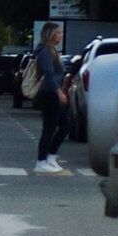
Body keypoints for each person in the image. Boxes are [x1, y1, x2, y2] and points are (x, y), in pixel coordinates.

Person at [32, 22, 70, 173]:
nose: (61, 36)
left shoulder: (53, 51)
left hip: (53, 93)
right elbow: (49, 74)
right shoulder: (45, 52)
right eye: (58, 33)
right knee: (49, 128)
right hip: (49, 94)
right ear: (51, 35)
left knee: (65, 125)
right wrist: (59, 92)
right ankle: (41, 162)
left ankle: (50, 156)